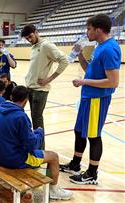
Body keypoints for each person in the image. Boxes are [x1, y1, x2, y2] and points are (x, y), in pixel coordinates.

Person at [60, 14, 121, 185]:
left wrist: (83, 81)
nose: (87, 32)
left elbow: (113, 81)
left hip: (97, 99)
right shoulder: (99, 46)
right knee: (79, 131)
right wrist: (79, 55)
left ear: (98, 29)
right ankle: (75, 164)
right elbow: (90, 70)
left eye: (89, 29)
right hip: (88, 97)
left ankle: (92, 174)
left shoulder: (109, 49)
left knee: (93, 136)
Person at [0, 86, 72, 200]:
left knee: (34, 156)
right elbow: (32, 146)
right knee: (53, 157)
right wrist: (39, 133)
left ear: (11, 97)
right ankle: (54, 190)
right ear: (26, 101)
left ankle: (29, 188)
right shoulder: (20, 117)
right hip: (11, 159)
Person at [21, 24, 69, 149]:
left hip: (40, 90)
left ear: (36, 32)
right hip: (30, 88)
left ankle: (40, 149)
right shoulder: (34, 47)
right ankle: (34, 144)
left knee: (37, 120)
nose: (29, 40)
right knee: (32, 118)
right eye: (27, 39)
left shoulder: (46, 45)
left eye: (30, 37)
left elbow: (64, 60)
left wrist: (49, 79)